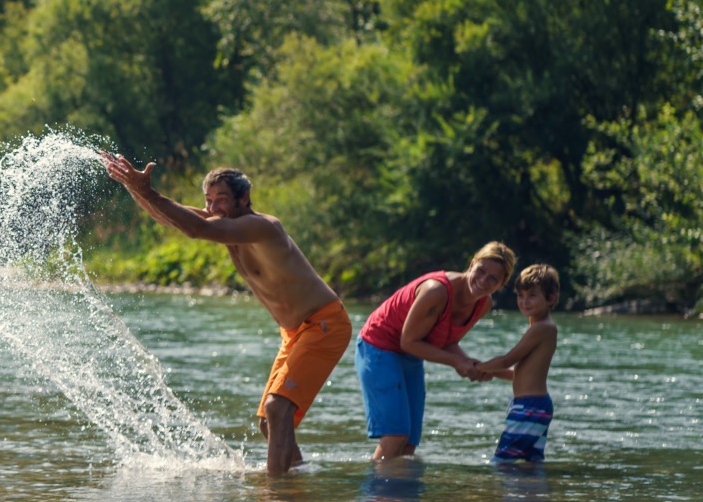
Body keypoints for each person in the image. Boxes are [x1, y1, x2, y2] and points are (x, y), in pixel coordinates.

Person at [100, 159, 350, 475]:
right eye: (208, 200)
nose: (212, 206)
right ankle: (297, 479)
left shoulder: (262, 226)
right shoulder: (224, 222)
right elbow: (169, 216)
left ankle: (274, 498)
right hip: (294, 331)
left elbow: (195, 228)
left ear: (243, 200)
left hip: (324, 324)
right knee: (268, 423)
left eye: (220, 200)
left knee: (278, 408)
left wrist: (148, 192)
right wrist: (135, 188)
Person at [355, 241, 516, 461]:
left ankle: (398, 494)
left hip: (410, 353)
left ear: (502, 284)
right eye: (481, 270)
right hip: (379, 346)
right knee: (396, 435)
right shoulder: (436, 291)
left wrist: (470, 364)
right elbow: (409, 341)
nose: (483, 280)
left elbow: (446, 341)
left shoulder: (483, 304)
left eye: (493, 279)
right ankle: (376, 493)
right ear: (471, 264)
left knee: (410, 440)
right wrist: (457, 363)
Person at [476, 264, 559, 463]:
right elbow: (518, 374)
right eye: (520, 295)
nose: (524, 301)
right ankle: (534, 494)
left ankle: (509, 495)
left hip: (529, 407)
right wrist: (493, 372)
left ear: (551, 298)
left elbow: (507, 359)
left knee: (501, 462)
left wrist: (476, 368)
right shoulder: (539, 327)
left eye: (532, 295)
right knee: (532, 462)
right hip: (534, 406)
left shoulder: (542, 328)